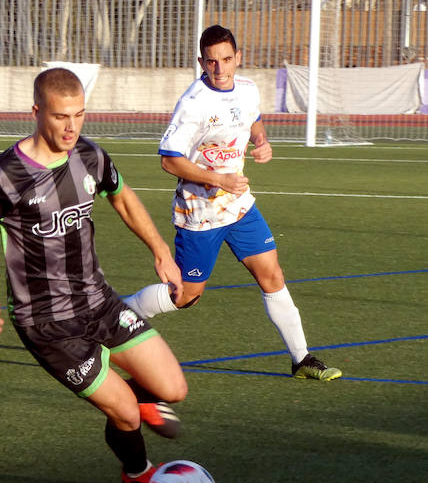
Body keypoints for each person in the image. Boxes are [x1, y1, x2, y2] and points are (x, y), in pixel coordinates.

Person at [0, 67, 188, 483]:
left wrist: (159, 249)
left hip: (98, 301)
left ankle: (134, 406)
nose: (71, 127)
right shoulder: (1, 177)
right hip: (45, 322)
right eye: (61, 116)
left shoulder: (90, 156)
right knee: (125, 413)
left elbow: (122, 196)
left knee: (173, 388)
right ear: (37, 111)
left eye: (80, 115)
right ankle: (136, 471)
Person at [123, 25, 342, 382]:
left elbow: (254, 121)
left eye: (226, 59)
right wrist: (219, 179)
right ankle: (120, 314)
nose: (220, 68)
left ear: (238, 58)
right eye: (211, 62)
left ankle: (301, 360)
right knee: (186, 295)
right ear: (201, 62)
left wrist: (262, 141)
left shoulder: (248, 89)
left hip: (239, 207)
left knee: (272, 274)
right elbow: (168, 160)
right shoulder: (193, 104)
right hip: (199, 213)